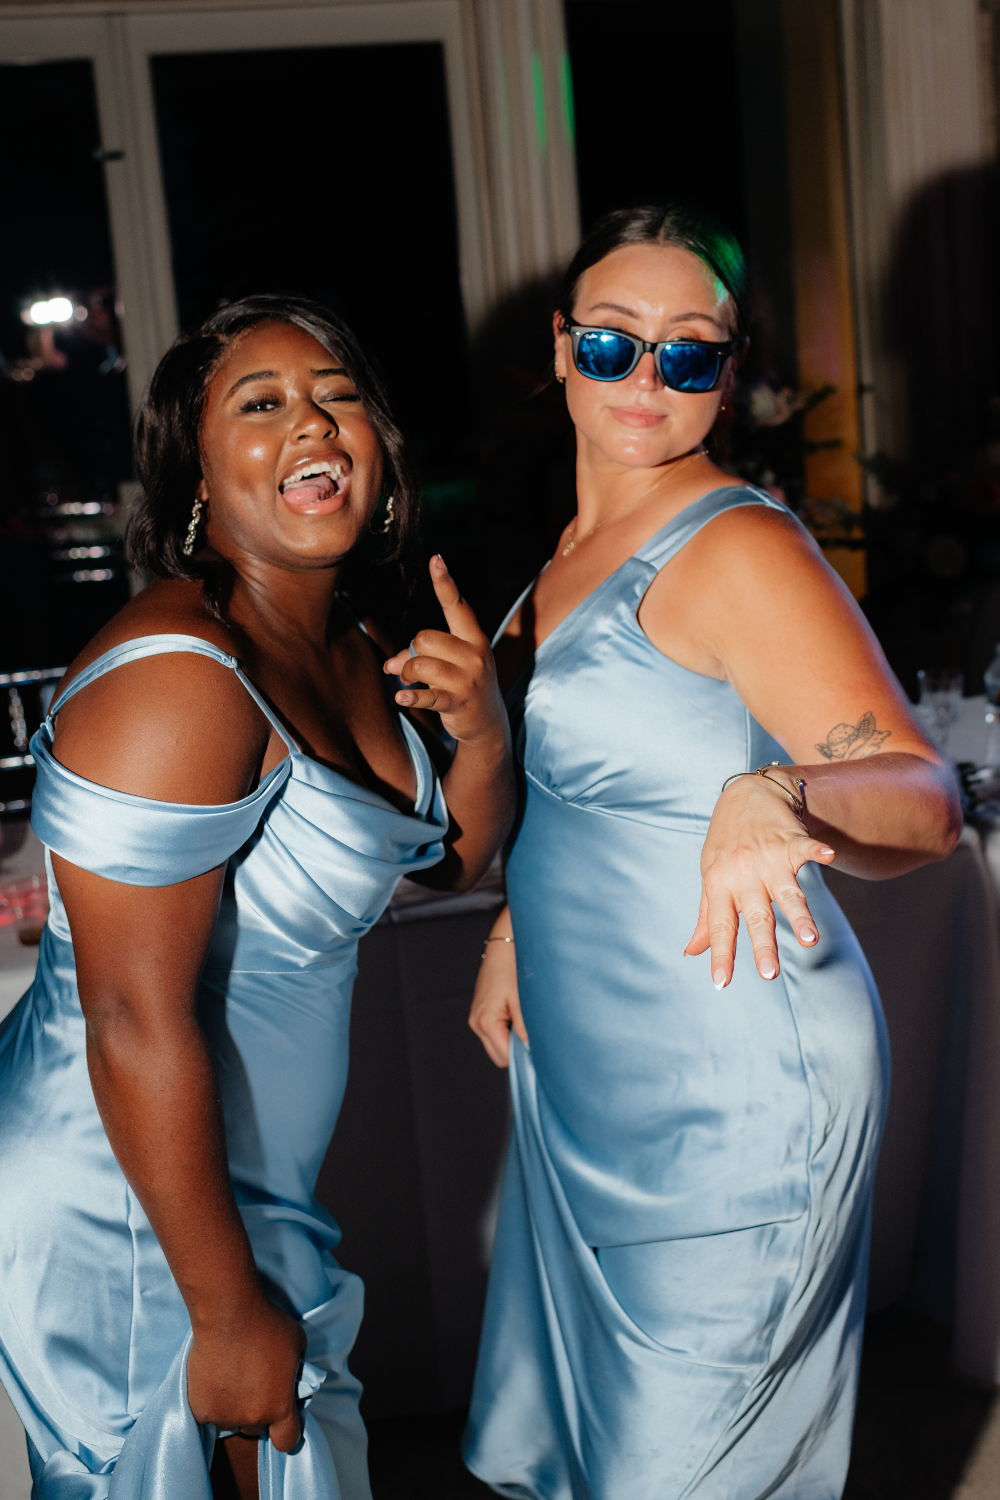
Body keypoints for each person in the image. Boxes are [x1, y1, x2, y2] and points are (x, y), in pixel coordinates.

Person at [461, 204, 961, 1500]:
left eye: (689, 354)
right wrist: (515, 930)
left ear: (726, 377)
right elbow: (586, 794)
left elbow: (925, 792)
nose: (647, 379)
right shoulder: (563, 558)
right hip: (588, 1081)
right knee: (587, 1455)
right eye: (617, 343)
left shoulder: (739, 545)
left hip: (733, 1089)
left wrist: (779, 789)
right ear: (561, 350)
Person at [0, 294, 513, 1500]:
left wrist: (481, 729)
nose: (312, 424)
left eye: (336, 395)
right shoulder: (178, 680)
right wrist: (224, 1309)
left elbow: (444, 861)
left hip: (247, 1176)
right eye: (262, 402)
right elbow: (132, 1018)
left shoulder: (351, 638)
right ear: (194, 471)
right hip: (126, 1196)